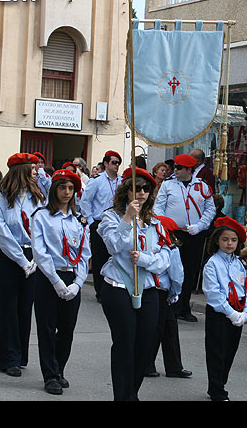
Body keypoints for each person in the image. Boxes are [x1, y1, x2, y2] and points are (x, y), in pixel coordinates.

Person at [97, 166, 171, 401]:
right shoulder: (111, 216)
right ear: (125, 190)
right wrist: (128, 218)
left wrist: (147, 260)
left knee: (145, 344)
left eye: (145, 188)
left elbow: (165, 258)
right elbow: (113, 246)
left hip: (147, 286)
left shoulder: (156, 223)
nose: (141, 192)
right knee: (124, 343)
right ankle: (122, 396)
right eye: (135, 187)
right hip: (118, 285)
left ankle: (132, 393)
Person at [31, 169, 91, 395]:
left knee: (67, 328)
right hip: (49, 277)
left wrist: (78, 283)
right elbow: (40, 252)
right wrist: (56, 282)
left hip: (72, 276)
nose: (66, 193)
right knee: (47, 328)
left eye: (71, 188)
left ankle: (59, 368)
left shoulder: (79, 219)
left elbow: (85, 254)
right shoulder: (41, 216)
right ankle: (50, 374)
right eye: (62, 188)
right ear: (54, 190)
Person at [0, 153, 45, 377]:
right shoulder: (1, 199)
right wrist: (22, 261)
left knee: (24, 308)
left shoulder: (38, 198)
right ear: (20, 171)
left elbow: (43, 227)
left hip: (33, 258)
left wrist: (36, 258)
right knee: (7, 309)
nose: (36, 172)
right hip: (10, 258)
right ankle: (8, 358)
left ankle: (20, 354)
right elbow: (3, 235)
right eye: (32, 168)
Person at [154, 153, 215, 322]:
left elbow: (210, 210)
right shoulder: (168, 185)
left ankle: (184, 307)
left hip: (194, 233)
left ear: (189, 169)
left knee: (190, 270)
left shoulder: (202, 186)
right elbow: (158, 208)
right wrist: (166, 226)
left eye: (179, 168)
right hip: (174, 233)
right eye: (175, 167)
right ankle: (171, 305)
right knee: (173, 269)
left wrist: (200, 226)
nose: (175, 170)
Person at [202, 216, 247, 401]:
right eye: (225, 239)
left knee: (230, 351)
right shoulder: (212, 264)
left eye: (233, 240)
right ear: (217, 240)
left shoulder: (240, 263)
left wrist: (246, 312)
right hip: (220, 312)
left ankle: (220, 382)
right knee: (217, 351)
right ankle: (217, 389)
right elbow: (214, 294)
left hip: (238, 309)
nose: (229, 243)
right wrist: (231, 313)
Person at [145, 216, 191, 379]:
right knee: (158, 328)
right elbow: (177, 276)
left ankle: (173, 366)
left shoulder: (152, 246)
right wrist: (175, 293)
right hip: (162, 291)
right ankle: (148, 364)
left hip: (152, 289)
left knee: (169, 327)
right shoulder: (171, 249)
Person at [80, 150, 122, 303]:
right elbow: (85, 201)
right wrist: (91, 222)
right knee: (100, 258)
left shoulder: (122, 181)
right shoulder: (97, 180)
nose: (117, 166)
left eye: (118, 163)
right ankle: (100, 291)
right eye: (114, 162)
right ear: (106, 164)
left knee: (114, 256)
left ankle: (112, 288)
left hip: (117, 222)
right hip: (99, 222)